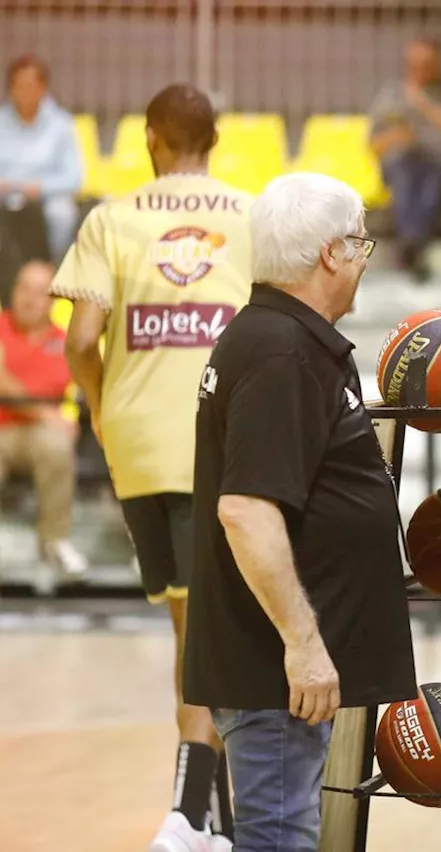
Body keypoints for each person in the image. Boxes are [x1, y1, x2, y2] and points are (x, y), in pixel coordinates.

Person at [183, 172, 417, 849]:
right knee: (278, 838)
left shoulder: (288, 340)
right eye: (362, 244)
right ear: (331, 253)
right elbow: (247, 511)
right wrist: (305, 647)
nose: (365, 259)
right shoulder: (280, 351)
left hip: (279, 676)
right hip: (272, 675)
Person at [53, 84, 251, 852]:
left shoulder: (112, 218)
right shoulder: (251, 216)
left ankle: (204, 816)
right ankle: (196, 815)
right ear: (215, 138)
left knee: (191, 628)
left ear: (149, 139)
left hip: (137, 442)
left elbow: (79, 342)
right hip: (222, 439)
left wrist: (101, 410)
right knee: (210, 634)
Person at [0, 259, 86, 578]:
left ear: (53, 299)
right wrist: (48, 413)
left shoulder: (68, 340)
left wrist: (70, 419)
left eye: (39, 291)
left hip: (41, 435)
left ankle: (54, 543)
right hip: (2, 429)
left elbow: (86, 388)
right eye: (23, 287)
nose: (28, 297)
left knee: (57, 444)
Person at [367, 35, 441, 280]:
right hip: (402, 163)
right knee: (404, 178)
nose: (418, 69)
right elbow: (373, 143)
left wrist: (421, 102)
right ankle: (415, 247)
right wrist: (396, 136)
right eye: (413, 63)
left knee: (431, 187)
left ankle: (411, 247)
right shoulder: (391, 93)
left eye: (425, 63)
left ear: (439, 63)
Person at [0, 55, 82, 261]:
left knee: (62, 214)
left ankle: (52, 269)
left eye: (31, 85)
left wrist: (40, 187)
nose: (26, 92)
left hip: (46, 195)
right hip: (4, 192)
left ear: (43, 87)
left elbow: (74, 178)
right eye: (19, 85)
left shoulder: (61, 123)